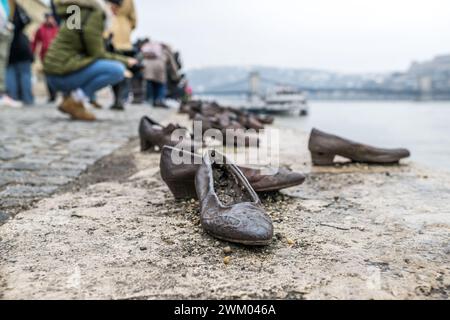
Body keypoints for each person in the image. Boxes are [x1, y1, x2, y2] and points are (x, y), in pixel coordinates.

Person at [44, 0, 137, 121]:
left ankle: (71, 100)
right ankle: (75, 100)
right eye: (115, 9)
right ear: (110, 5)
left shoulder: (82, 12)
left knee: (97, 64)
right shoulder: (96, 14)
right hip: (61, 74)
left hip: (54, 72)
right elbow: (97, 53)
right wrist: (125, 61)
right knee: (117, 70)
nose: (115, 13)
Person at [107, 0, 136, 110]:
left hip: (110, 31)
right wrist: (127, 26)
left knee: (113, 66)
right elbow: (134, 20)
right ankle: (121, 98)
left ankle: (116, 98)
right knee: (125, 68)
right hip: (124, 35)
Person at [6, 1, 34, 106]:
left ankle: (14, 98)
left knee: (10, 73)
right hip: (20, 46)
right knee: (24, 74)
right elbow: (26, 20)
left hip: (9, 46)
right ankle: (27, 99)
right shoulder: (14, 7)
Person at [32, 13, 59, 102]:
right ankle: (52, 94)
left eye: (51, 18)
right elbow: (35, 42)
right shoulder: (40, 29)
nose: (49, 20)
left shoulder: (57, 29)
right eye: (47, 18)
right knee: (48, 76)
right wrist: (32, 52)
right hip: (45, 56)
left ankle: (56, 92)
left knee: (55, 74)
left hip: (56, 56)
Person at [0, 0, 21, 107]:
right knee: (1, 62)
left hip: (4, 29)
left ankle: (1, 95)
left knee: (2, 62)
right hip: (3, 29)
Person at [142, 40, 168, 108]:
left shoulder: (146, 49)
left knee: (150, 85)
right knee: (160, 85)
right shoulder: (163, 50)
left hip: (148, 69)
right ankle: (159, 100)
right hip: (159, 68)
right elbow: (171, 63)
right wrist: (175, 75)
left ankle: (151, 100)